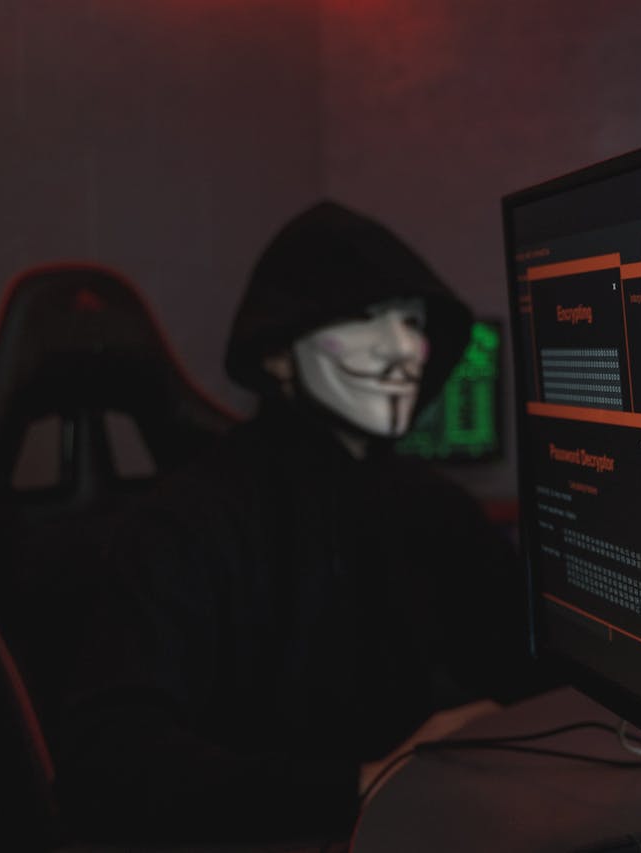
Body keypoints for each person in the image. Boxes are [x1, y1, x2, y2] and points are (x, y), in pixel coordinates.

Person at [52, 200, 546, 842]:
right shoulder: (188, 521)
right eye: (367, 319)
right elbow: (108, 760)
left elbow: (527, 653)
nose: (404, 348)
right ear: (278, 356)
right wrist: (361, 781)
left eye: (413, 321)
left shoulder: (431, 505)